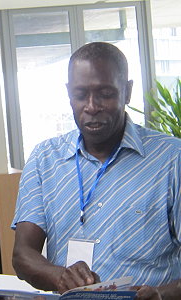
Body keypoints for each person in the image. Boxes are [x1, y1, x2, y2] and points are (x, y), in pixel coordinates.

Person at [11, 42, 181, 300]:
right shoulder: (45, 159)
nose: (92, 106)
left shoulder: (171, 159)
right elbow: (23, 255)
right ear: (69, 94)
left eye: (105, 94)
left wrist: (161, 294)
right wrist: (60, 276)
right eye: (81, 95)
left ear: (127, 91)